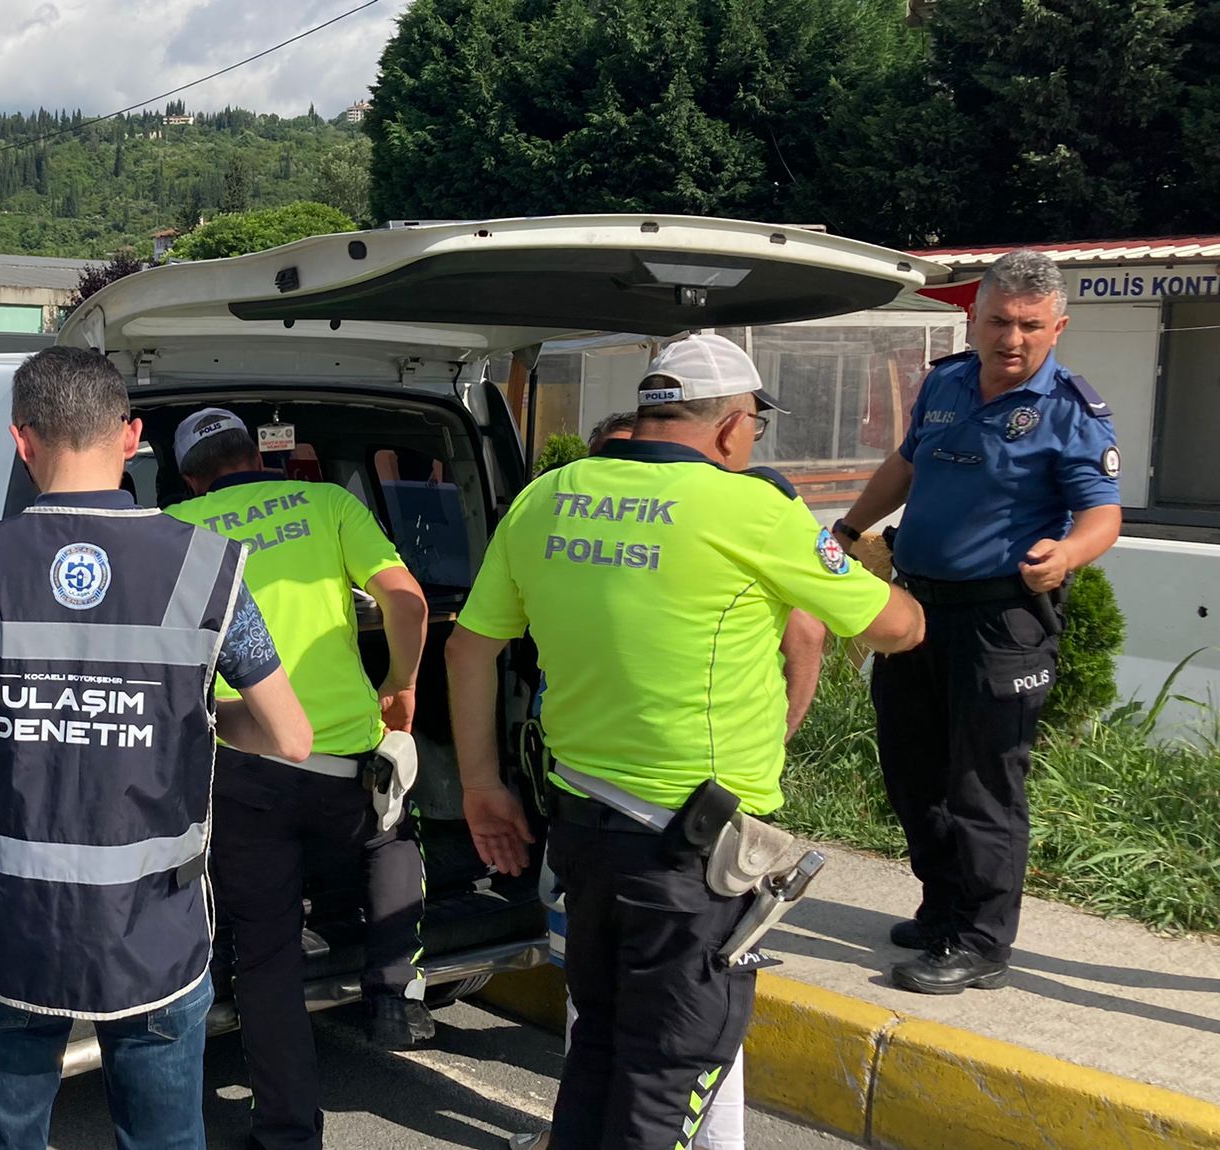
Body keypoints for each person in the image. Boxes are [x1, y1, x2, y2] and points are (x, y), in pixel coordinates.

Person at [445, 334, 925, 1150]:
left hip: (583, 830)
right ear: (734, 426)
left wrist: (482, 786)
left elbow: (468, 649)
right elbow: (895, 629)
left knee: (597, 1050)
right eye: (755, 429)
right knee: (667, 1076)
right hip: (690, 856)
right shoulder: (753, 510)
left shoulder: (549, 495)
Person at [0, 347, 315, 1150]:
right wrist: (186, 717)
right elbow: (291, 737)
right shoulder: (206, 567)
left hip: (12, 929)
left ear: (22, 442)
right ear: (131, 437)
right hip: (154, 934)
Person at [831, 250, 1122, 995]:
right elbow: (906, 464)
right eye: (998, 321)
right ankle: (942, 907)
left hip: (1001, 620)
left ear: (1057, 328)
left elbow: (1102, 513)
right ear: (974, 319)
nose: (1011, 338)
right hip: (917, 608)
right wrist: (849, 527)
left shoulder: (1071, 412)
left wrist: (1067, 555)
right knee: (911, 768)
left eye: (1030, 325)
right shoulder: (947, 382)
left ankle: (982, 940)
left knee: (983, 782)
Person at [164, 408, 434, 1150]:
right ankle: (394, 989)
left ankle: (287, 1133)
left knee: (267, 952)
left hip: (244, 765)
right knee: (390, 831)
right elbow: (407, 601)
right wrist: (400, 681)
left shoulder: (174, 528)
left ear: (188, 478)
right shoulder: (329, 503)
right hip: (345, 762)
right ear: (259, 455)